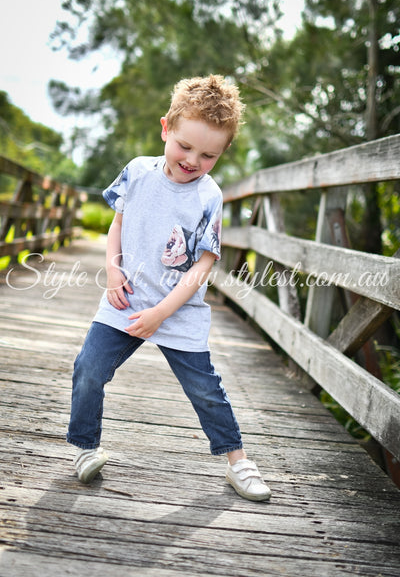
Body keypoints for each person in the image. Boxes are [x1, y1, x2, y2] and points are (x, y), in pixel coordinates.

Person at [67, 74, 271, 502]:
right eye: (184, 145)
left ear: (221, 154)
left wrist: (162, 312)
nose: (193, 160)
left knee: (205, 389)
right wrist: (112, 269)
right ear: (166, 128)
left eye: (208, 154)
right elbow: (118, 223)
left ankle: (238, 461)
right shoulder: (138, 173)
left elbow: (203, 265)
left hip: (178, 311)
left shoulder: (208, 196)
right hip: (126, 301)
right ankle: (85, 447)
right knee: (89, 368)